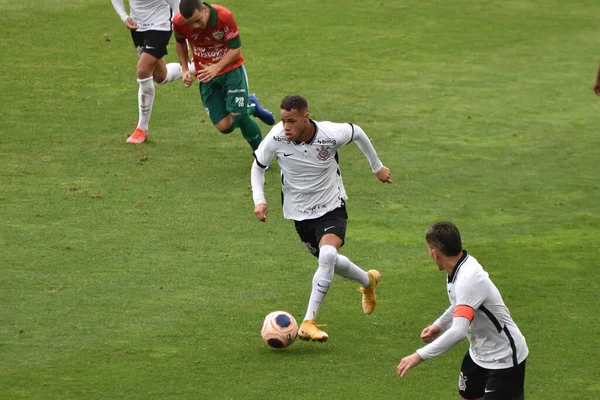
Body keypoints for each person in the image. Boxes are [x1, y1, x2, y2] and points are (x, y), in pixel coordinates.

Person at [250, 94, 392, 342]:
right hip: (299, 213)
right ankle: (368, 281)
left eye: (291, 121)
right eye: (283, 120)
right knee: (331, 261)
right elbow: (258, 167)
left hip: (331, 205)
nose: (286, 127)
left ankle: (308, 321)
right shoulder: (276, 137)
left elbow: (357, 132)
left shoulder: (329, 134)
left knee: (327, 255)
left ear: (306, 116)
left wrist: (377, 168)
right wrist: (259, 199)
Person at [397, 221, 528, 400]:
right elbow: (462, 304)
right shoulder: (456, 269)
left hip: (505, 357)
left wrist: (420, 355)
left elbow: (459, 331)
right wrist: (439, 325)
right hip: (479, 353)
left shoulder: (469, 278)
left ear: (435, 253)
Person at [172, 0, 275, 151]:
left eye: (197, 20)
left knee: (239, 115)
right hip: (206, 76)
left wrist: (216, 68)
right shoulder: (179, 22)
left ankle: (260, 157)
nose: (195, 26)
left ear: (205, 9)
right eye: (190, 23)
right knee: (224, 126)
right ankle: (251, 105)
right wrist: (185, 69)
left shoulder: (224, 17)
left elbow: (235, 50)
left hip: (231, 70)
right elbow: (180, 42)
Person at [111, 0, 194, 144]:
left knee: (143, 70)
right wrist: (125, 17)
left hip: (160, 25)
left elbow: (177, 8)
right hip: (137, 28)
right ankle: (196, 67)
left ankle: (141, 129)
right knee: (160, 76)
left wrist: (184, 43)